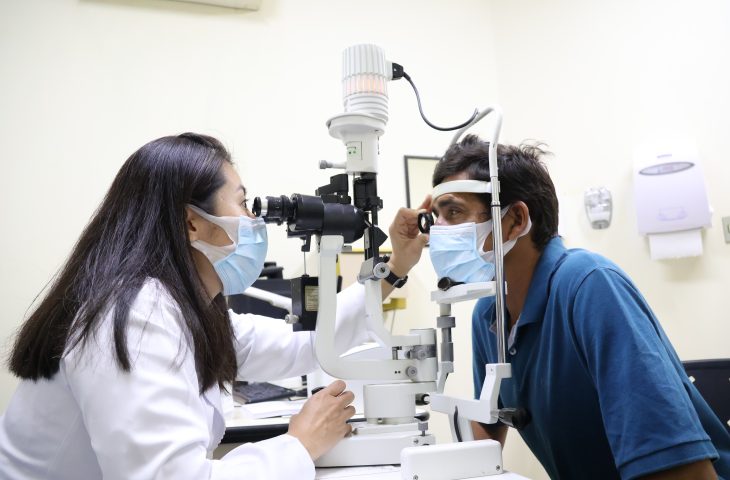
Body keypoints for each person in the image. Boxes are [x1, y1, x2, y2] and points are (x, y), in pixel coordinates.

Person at [0, 133, 426, 480]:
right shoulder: (135, 315)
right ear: (192, 223)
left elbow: (303, 344)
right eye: (242, 203)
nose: (255, 220)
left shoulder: (187, 309)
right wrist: (299, 444)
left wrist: (394, 269)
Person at [424, 134, 730, 479]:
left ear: (516, 220)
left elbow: (688, 472)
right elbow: (486, 434)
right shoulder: (489, 314)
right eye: (436, 217)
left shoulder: (589, 285)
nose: (437, 232)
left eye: (453, 212)